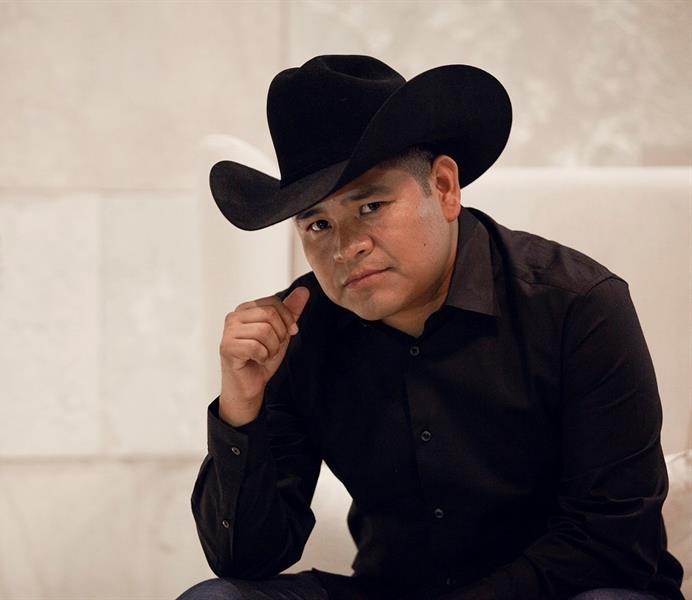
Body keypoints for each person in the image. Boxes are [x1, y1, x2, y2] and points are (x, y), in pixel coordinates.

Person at [177, 55, 684, 600]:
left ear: (444, 187)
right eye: (318, 224)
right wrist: (241, 406)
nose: (346, 248)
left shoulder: (578, 305)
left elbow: (612, 541)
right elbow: (247, 559)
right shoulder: (299, 332)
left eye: (370, 206)